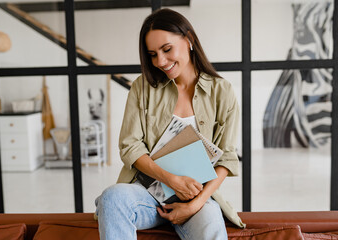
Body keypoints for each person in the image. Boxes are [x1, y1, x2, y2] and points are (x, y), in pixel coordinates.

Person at [95, 8, 245, 240]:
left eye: (167, 50)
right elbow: (130, 147)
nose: (161, 61)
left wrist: (194, 206)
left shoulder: (222, 91)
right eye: (153, 54)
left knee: (210, 220)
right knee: (112, 197)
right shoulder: (141, 88)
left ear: (189, 40)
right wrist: (170, 179)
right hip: (146, 195)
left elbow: (226, 158)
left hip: (196, 199)